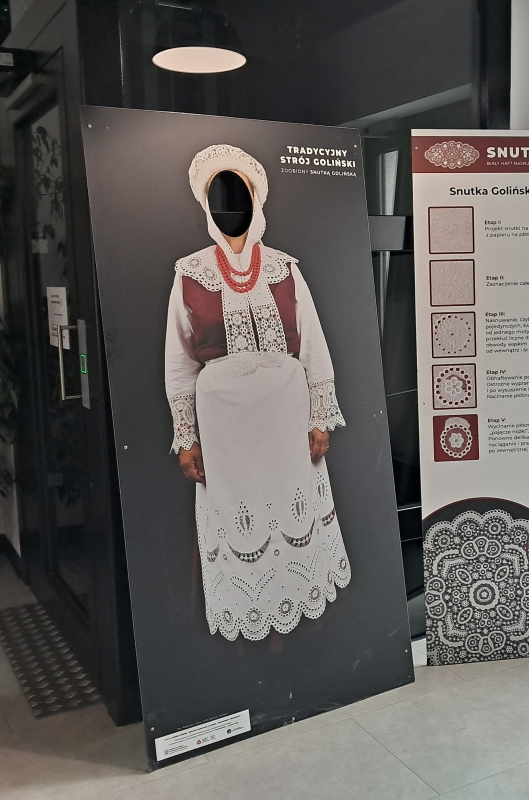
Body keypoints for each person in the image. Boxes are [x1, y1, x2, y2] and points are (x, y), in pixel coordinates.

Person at [164, 144, 350, 642]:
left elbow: (314, 345)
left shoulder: (285, 268)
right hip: (224, 424)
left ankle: (297, 607)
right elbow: (179, 363)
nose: (229, 206)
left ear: (256, 200)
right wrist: (187, 437)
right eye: (218, 196)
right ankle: (248, 610)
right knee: (236, 511)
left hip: (286, 414)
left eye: (238, 194)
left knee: (290, 502)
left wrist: (319, 417)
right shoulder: (189, 273)